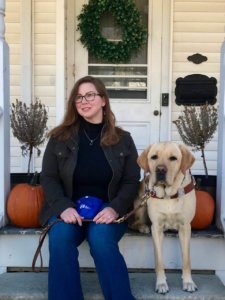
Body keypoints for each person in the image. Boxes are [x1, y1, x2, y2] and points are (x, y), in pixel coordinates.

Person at [40, 75, 140, 300]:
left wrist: (115, 208)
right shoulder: (59, 138)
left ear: (103, 100)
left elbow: (131, 181)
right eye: (78, 97)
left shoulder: (123, 140)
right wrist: (63, 207)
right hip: (69, 207)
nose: (84, 101)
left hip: (108, 208)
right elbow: (48, 177)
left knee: (101, 236)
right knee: (60, 237)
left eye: (90, 95)